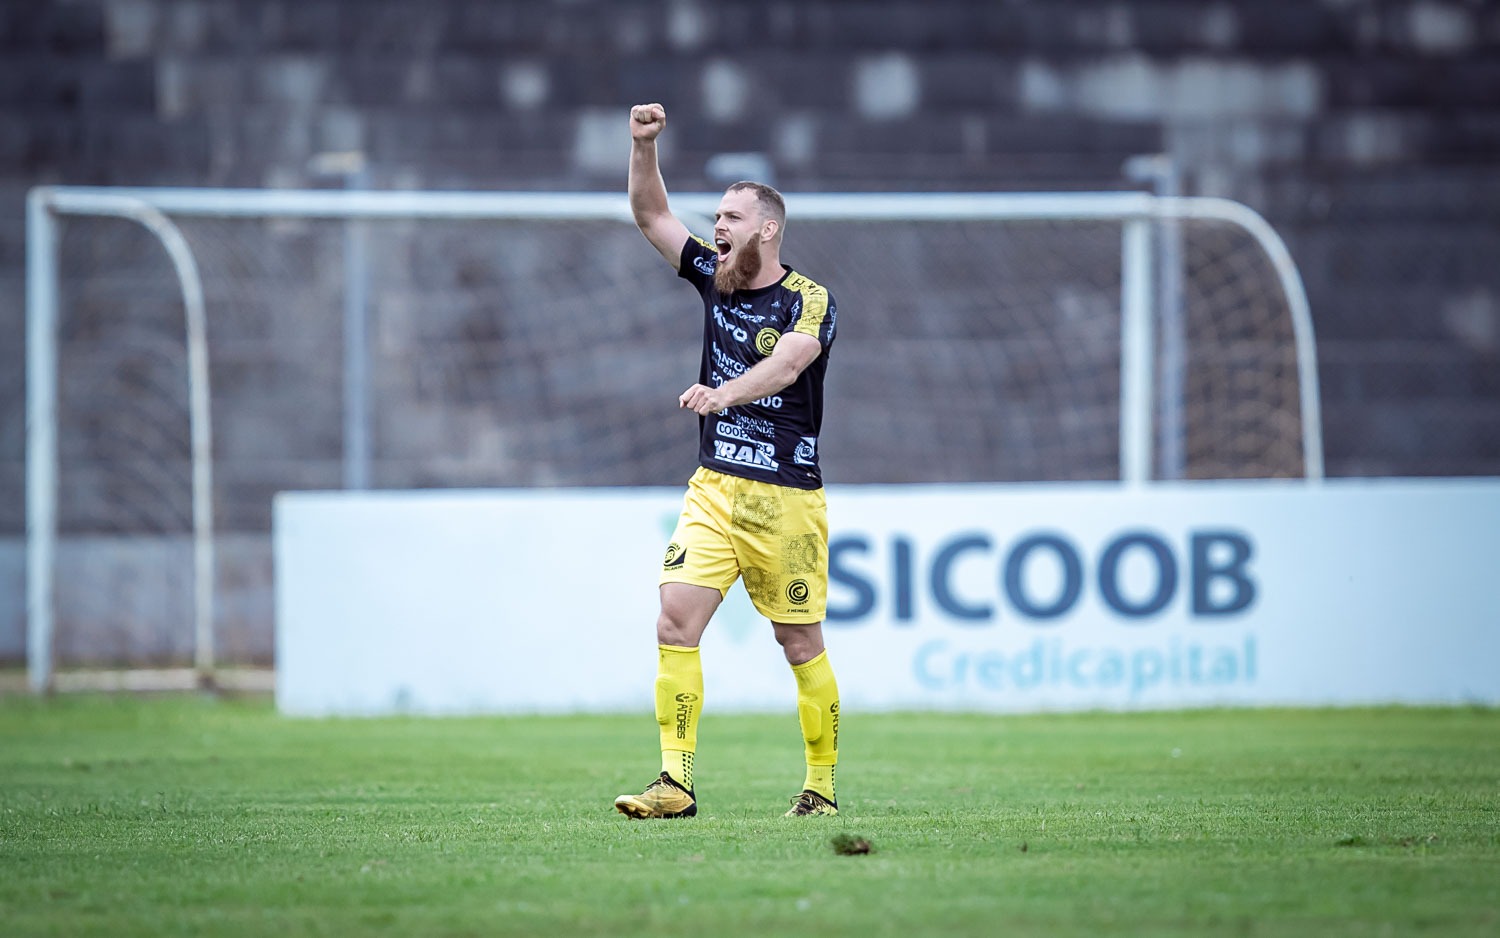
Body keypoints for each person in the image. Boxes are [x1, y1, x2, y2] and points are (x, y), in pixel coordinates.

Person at [613, 102, 842, 820]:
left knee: (798, 641)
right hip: (714, 490)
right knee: (674, 620)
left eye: (732, 218)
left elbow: (791, 366)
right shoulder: (714, 278)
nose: (718, 227)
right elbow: (652, 216)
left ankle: (822, 788)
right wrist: (643, 146)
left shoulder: (810, 300)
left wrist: (725, 394)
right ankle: (674, 784)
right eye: (715, 216)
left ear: (767, 228)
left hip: (786, 499)